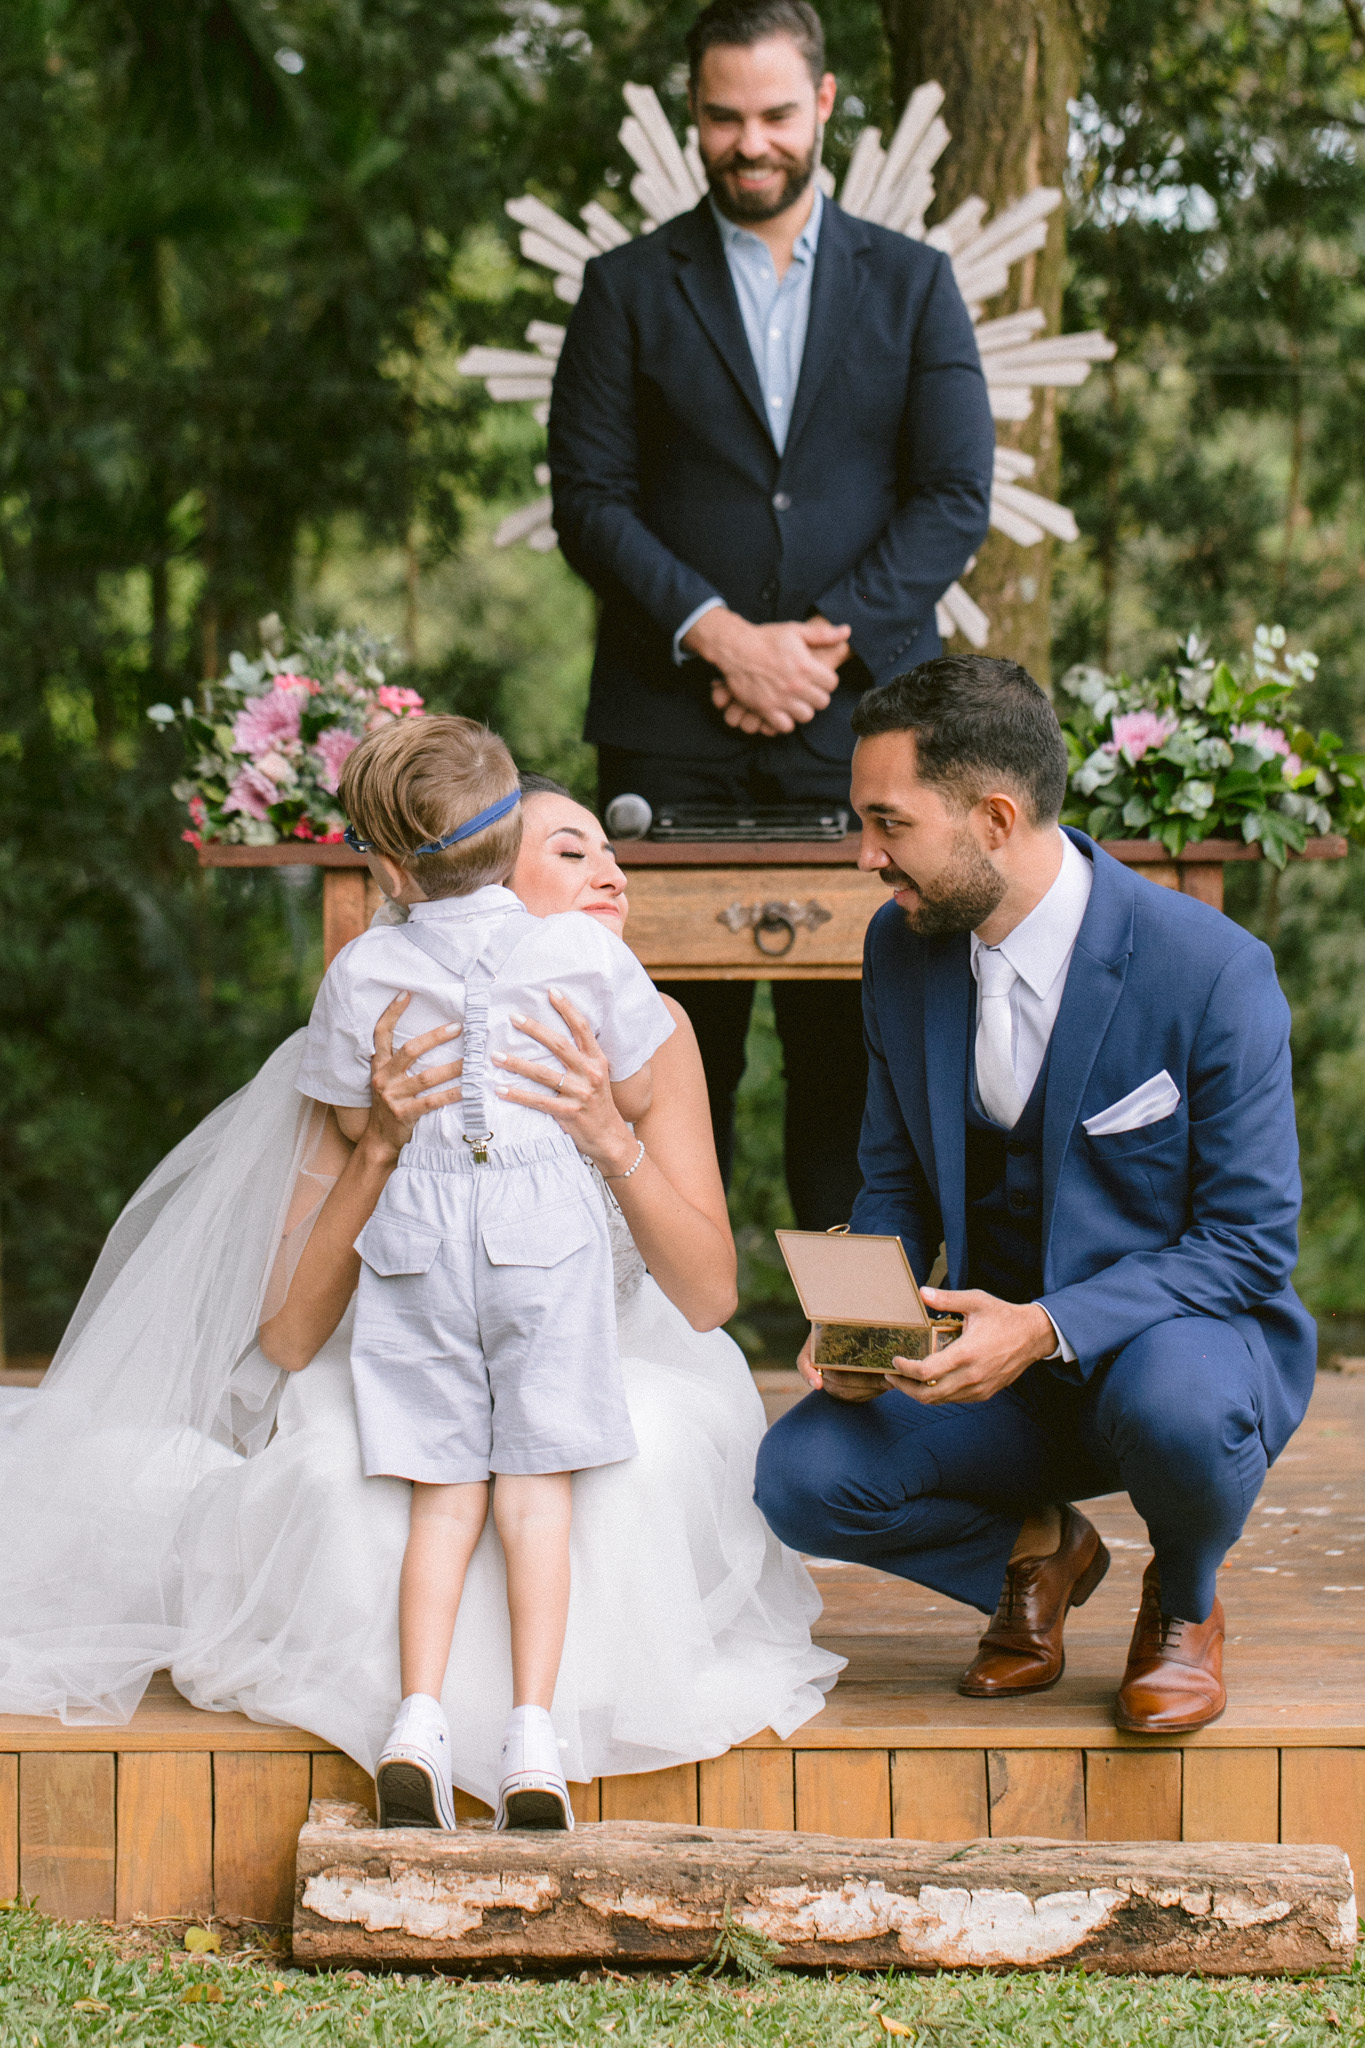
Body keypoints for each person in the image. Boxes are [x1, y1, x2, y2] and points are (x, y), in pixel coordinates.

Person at [0, 780, 842, 1811]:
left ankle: (536, 1737)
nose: (613, 871)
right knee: (342, 1486)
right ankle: (421, 1725)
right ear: (481, 879)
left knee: (629, 1465)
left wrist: (604, 1132)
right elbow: (292, 1329)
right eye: (572, 851)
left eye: (608, 851)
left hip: (610, 1351)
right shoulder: (379, 1034)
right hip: (406, 1353)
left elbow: (710, 1295)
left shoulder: (647, 1029)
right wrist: (382, 1145)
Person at [754, 654, 1315, 1734]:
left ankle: (1185, 1602)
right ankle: (1038, 1555)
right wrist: (864, 1325)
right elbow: (895, 1173)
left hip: (1168, 1355)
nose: (866, 855)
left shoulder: (1211, 968)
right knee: (801, 1473)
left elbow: (1248, 1245)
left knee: (1180, 1407)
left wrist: (1047, 1325)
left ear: (995, 816)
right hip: (994, 1378)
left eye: (888, 823)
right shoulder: (900, 946)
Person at [548, 0, 995, 1229]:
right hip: (667, 728)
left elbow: (956, 492)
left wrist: (818, 641)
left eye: (776, 115)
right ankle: (641, 1376)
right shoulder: (624, 287)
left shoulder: (914, 286)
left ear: (826, 105)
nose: (751, 142)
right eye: (725, 117)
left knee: (857, 1073)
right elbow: (588, 500)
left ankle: (855, 1376)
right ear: (695, 114)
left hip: (869, 737)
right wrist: (720, 634)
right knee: (658, 1060)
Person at [298, 716, 675, 1831]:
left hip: (415, 1224)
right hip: (540, 1223)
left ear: (389, 863)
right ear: (512, 833)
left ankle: (415, 1718)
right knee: (535, 1491)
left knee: (442, 1491)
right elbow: (640, 1079)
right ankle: (532, 1741)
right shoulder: (584, 953)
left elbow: (344, 1110)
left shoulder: (364, 964)